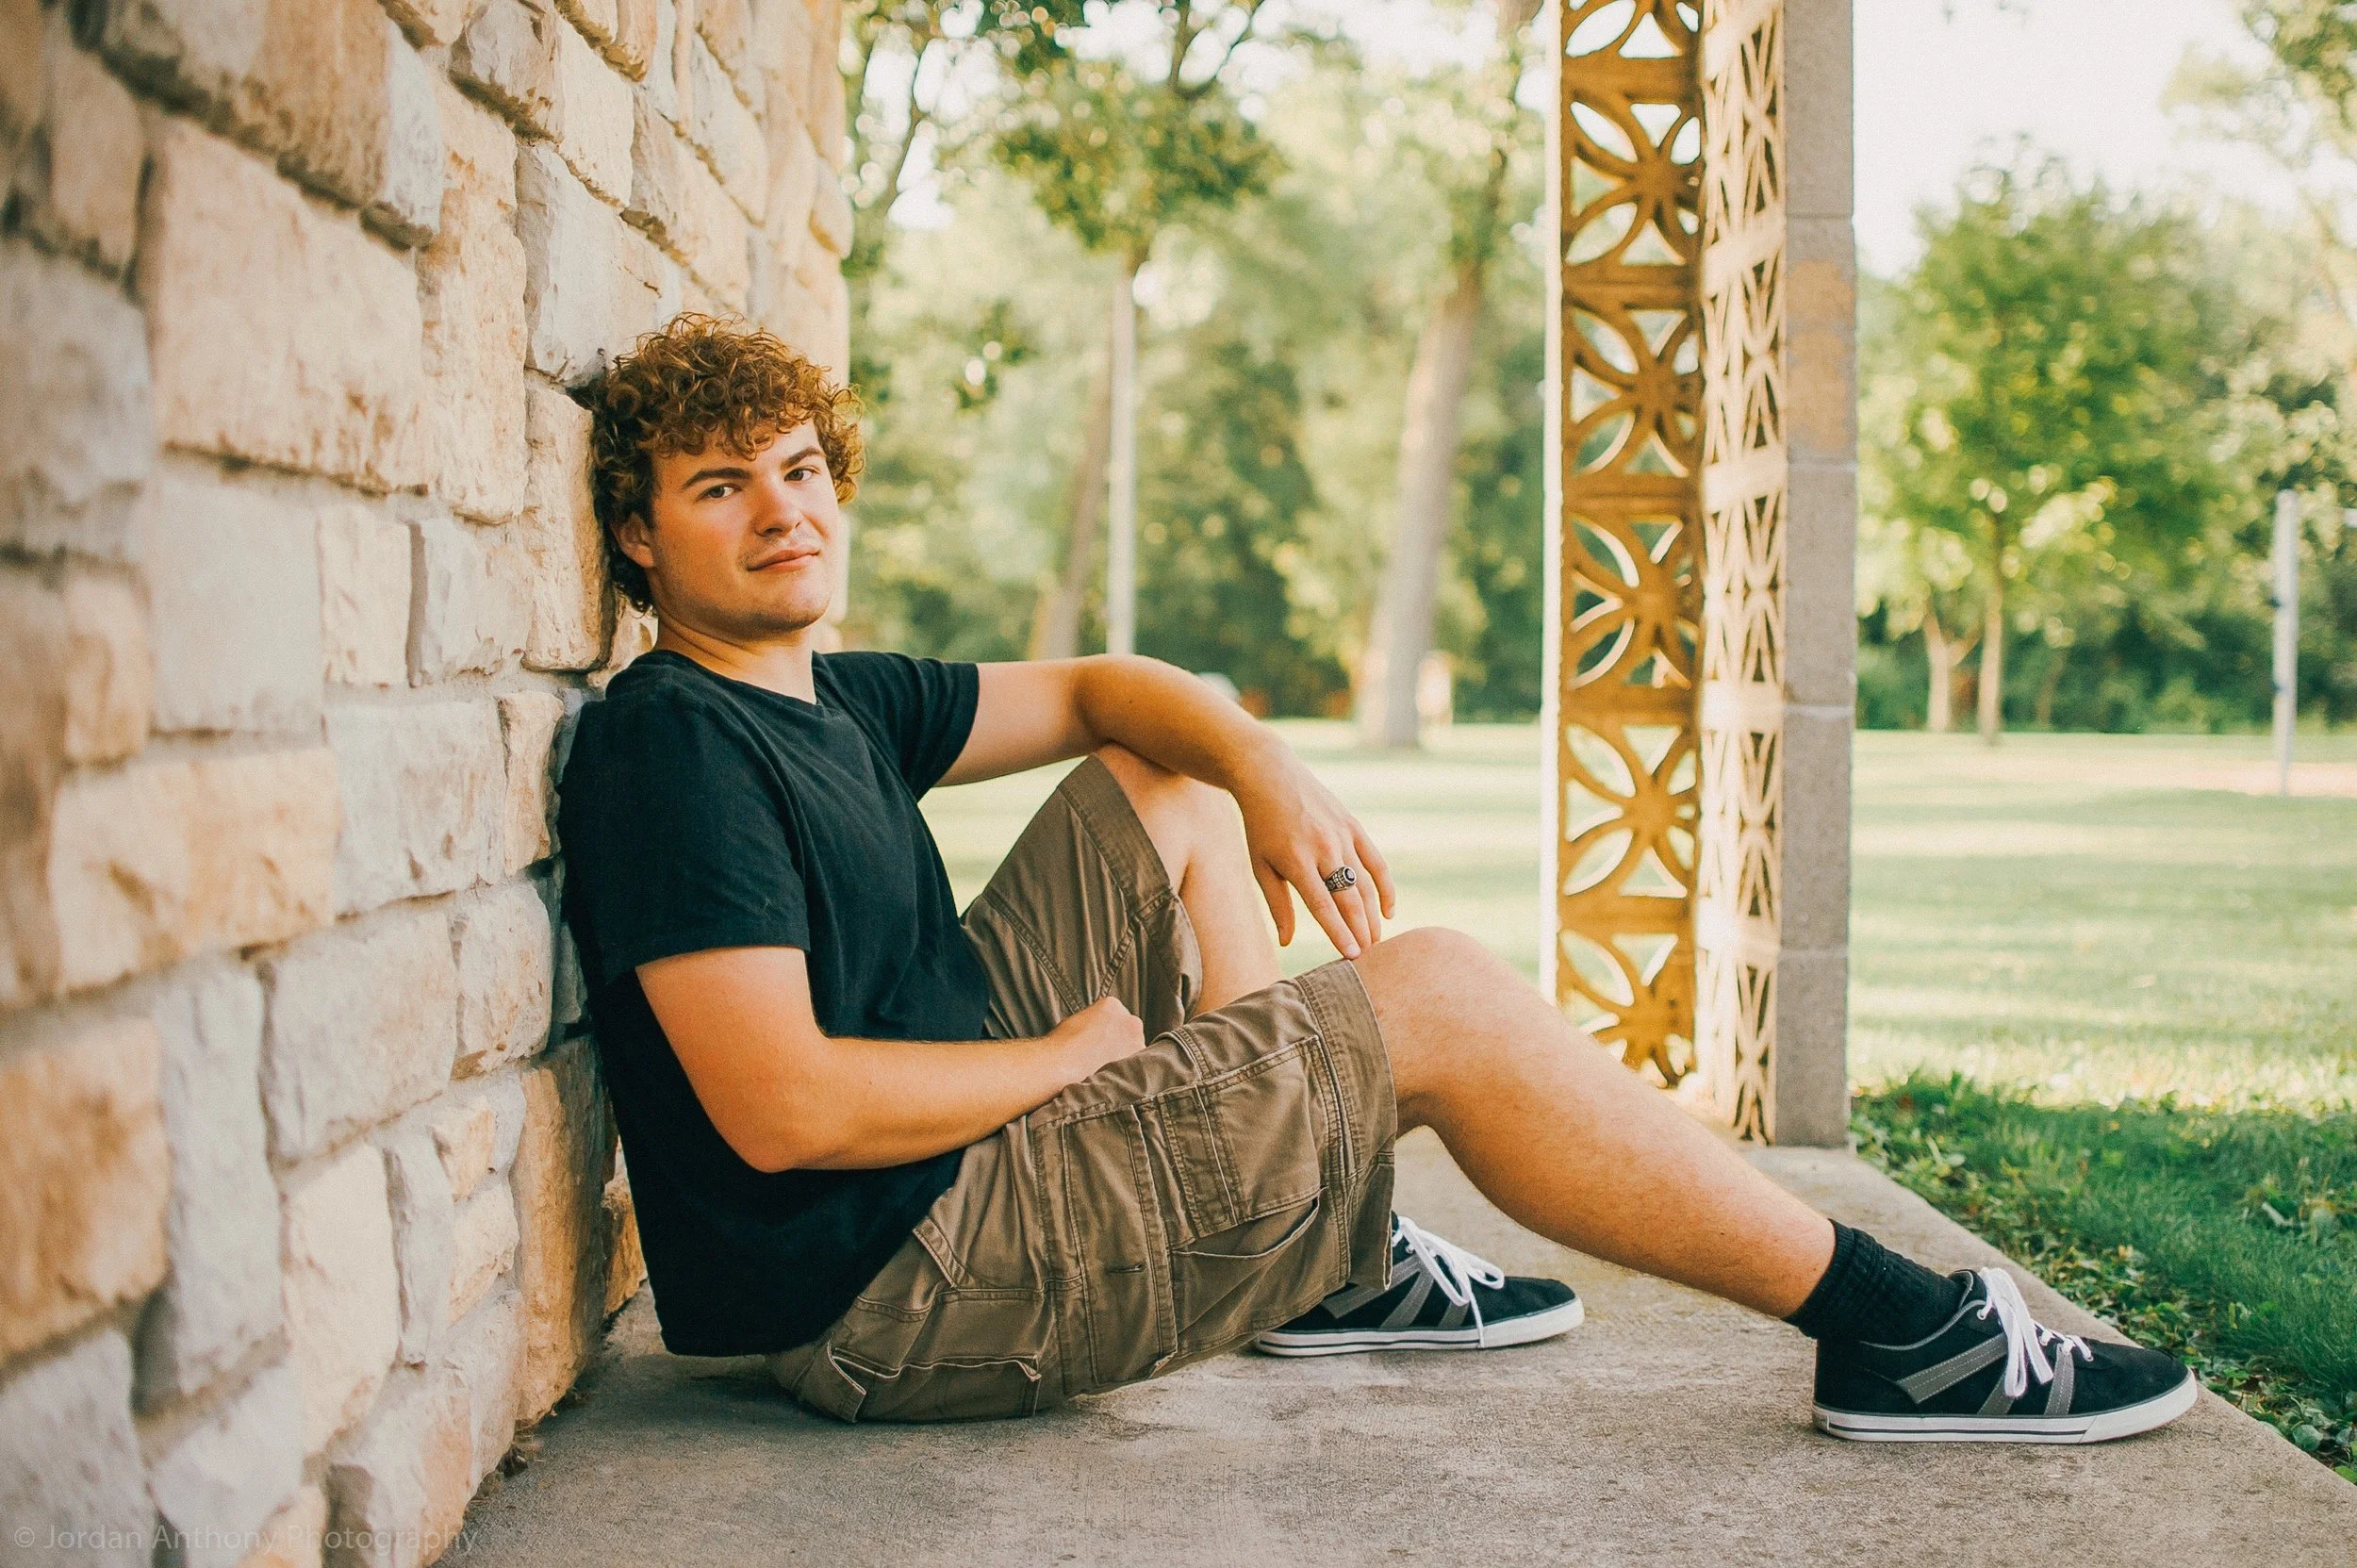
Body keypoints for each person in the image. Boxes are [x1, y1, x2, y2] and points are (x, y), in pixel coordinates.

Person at [555, 315, 2197, 1441]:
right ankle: (1910, 1337)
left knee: (1168, 768)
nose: (782, 512)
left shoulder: (829, 698)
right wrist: (1069, 1060)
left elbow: (1114, 690)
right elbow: (783, 1109)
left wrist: (1265, 769)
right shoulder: (676, 746)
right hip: (890, 1287)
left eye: (798, 468)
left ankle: (1321, 1257)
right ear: (640, 537)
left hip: (940, 1179)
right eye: (720, 487)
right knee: (1445, 999)